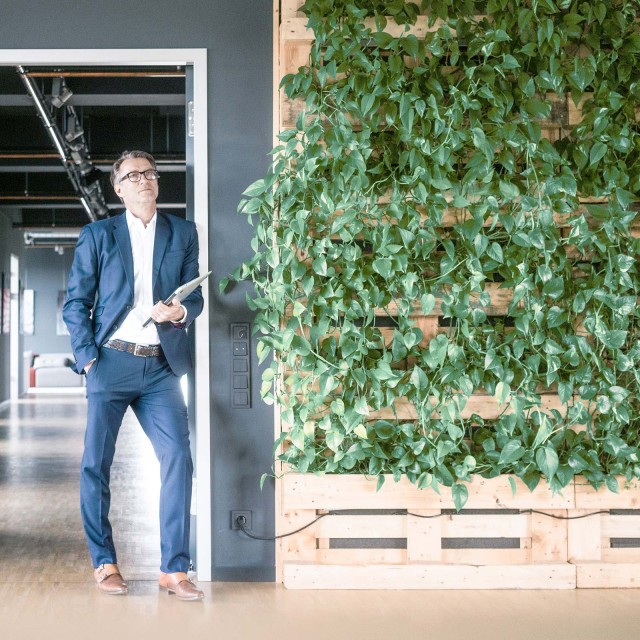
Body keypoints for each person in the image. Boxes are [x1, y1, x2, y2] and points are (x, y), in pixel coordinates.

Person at [63, 150, 205, 601]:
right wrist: (88, 360)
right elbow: (75, 304)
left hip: (161, 366)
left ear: (157, 182)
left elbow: (194, 298)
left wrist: (180, 309)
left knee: (179, 459)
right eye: (132, 176)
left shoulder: (183, 233)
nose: (143, 180)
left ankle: (174, 569)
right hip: (110, 362)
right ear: (118, 188)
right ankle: (104, 563)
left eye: (149, 173)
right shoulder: (98, 235)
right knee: (95, 465)